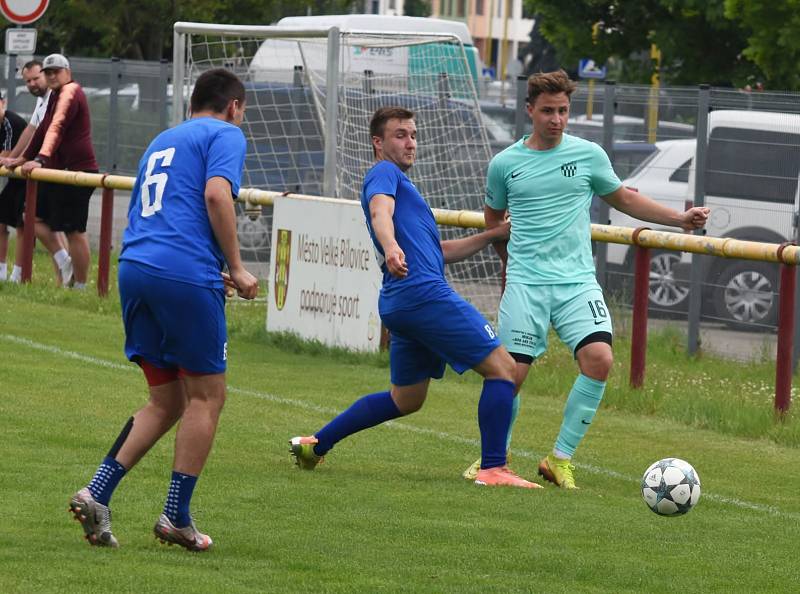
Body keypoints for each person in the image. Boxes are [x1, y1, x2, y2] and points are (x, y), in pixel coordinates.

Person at [463, 70, 709, 488]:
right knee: (510, 376)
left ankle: (559, 459)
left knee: (600, 359)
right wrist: (512, 263)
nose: (556, 119)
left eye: (562, 111)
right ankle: (492, 461)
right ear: (530, 111)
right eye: (547, 111)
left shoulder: (588, 155)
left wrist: (679, 219)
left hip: (577, 283)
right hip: (527, 284)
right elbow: (494, 223)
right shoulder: (505, 164)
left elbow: (624, 198)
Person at [289, 106, 540, 489]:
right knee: (504, 369)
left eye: (413, 135)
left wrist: (491, 235)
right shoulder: (384, 174)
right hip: (424, 296)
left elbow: (439, 251)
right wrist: (390, 247)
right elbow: (379, 212)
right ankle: (493, 468)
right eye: (400, 135)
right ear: (378, 142)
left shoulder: (405, 188)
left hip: (400, 302)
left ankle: (316, 444)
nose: (410, 143)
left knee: (406, 399)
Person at [67, 68, 259, 550]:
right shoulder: (225, 133)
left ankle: (97, 493)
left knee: (165, 399)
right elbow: (217, 195)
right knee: (206, 397)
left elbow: (165, 208)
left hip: (136, 267)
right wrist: (235, 266)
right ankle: (176, 515)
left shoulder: (164, 139)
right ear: (233, 106)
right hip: (180, 274)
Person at [12, 54, 97, 288]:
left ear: (67, 72)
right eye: (48, 72)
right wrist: (23, 157)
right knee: (32, 217)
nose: (51, 76)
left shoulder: (71, 91)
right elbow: (41, 130)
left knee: (74, 231)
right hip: (57, 170)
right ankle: (64, 260)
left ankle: (80, 287)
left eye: (55, 71)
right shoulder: (53, 96)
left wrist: (39, 159)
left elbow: (57, 127)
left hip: (77, 172)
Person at [0, 60, 71, 284]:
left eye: (35, 78)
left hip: (54, 166)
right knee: (46, 222)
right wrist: (14, 159)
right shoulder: (42, 102)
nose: (32, 84)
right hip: (39, 166)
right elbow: (32, 131)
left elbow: (44, 135)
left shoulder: (56, 98)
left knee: (39, 221)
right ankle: (64, 275)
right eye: (28, 81)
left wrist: (24, 159)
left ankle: (66, 267)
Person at [0, 93, 28, 280]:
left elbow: (5, 157)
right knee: (1, 220)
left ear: (3, 103)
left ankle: (19, 273)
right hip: (15, 180)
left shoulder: (11, 122)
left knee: (23, 225)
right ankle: (1, 271)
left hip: (29, 178)